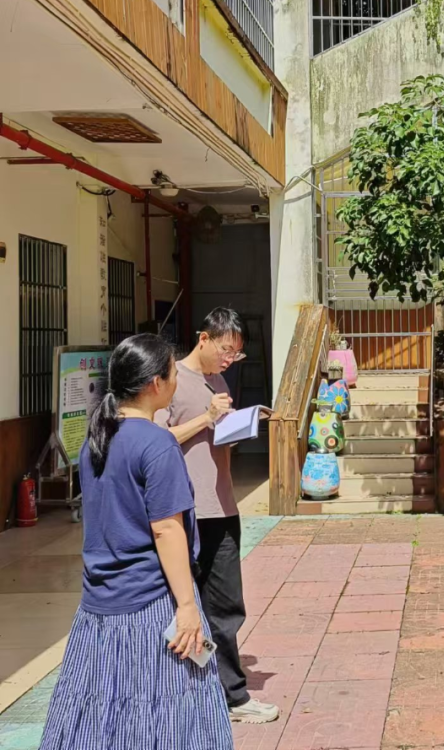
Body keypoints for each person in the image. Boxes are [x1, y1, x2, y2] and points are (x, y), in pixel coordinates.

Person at [41, 334, 232, 749]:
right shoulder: (157, 443)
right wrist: (187, 607)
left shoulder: (96, 440)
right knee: (165, 712)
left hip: (98, 606)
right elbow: (167, 530)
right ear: (155, 384)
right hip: (150, 604)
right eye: (172, 372)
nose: (176, 379)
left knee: (99, 713)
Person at [155, 308, 278, 724]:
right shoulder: (170, 379)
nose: (229, 360)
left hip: (222, 504)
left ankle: (229, 694)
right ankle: (203, 692)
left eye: (236, 355)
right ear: (203, 338)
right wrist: (206, 418)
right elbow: (157, 439)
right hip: (185, 510)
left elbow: (212, 439)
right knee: (181, 605)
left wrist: (239, 425)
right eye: (225, 350)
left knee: (226, 606)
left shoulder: (219, 381)